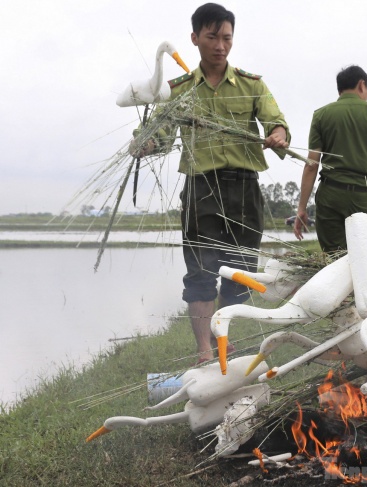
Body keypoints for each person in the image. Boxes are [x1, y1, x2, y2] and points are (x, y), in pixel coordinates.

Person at [131, 3, 290, 363]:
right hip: (201, 189)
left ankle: (225, 339)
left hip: (245, 190)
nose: (220, 45)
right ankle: (204, 350)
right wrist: (145, 142)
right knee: (200, 270)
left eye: (227, 38)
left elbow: (277, 122)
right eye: (212, 37)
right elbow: (160, 134)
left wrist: (278, 134)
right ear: (195, 38)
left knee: (240, 270)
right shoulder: (179, 90)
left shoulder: (252, 84)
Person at [292, 65, 367, 252]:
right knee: (365, 259)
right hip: (363, 196)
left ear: (340, 90)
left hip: (330, 195)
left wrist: (302, 208)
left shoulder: (321, 115)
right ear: (362, 85)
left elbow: (311, 165)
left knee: (333, 260)